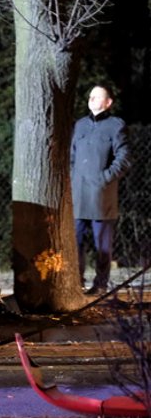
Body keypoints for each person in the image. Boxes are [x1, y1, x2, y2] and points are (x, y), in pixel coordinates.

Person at [70, 85, 130, 296]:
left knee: (102, 245)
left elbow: (123, 158)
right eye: (90, 96)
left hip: (101, 196)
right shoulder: (80, 125)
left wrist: (104, 178)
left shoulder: (115, 126)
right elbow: (72, 157)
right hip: (78, 195)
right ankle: (75, 282)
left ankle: (101, 284)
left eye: (97, 96)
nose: (91, 98)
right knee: (74, 243)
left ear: (108, 102)